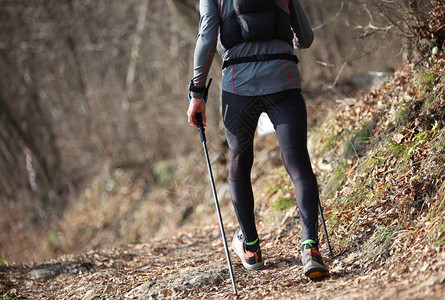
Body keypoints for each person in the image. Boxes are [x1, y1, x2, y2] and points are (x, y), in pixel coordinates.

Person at [187, 0, 329, 279]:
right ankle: (310, 247)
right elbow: (306, 38)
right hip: (284, 80)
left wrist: (197, 92)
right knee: (298, 164)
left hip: (238, 87)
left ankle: (251, 247)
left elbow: (207, 37)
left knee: (239, 164)